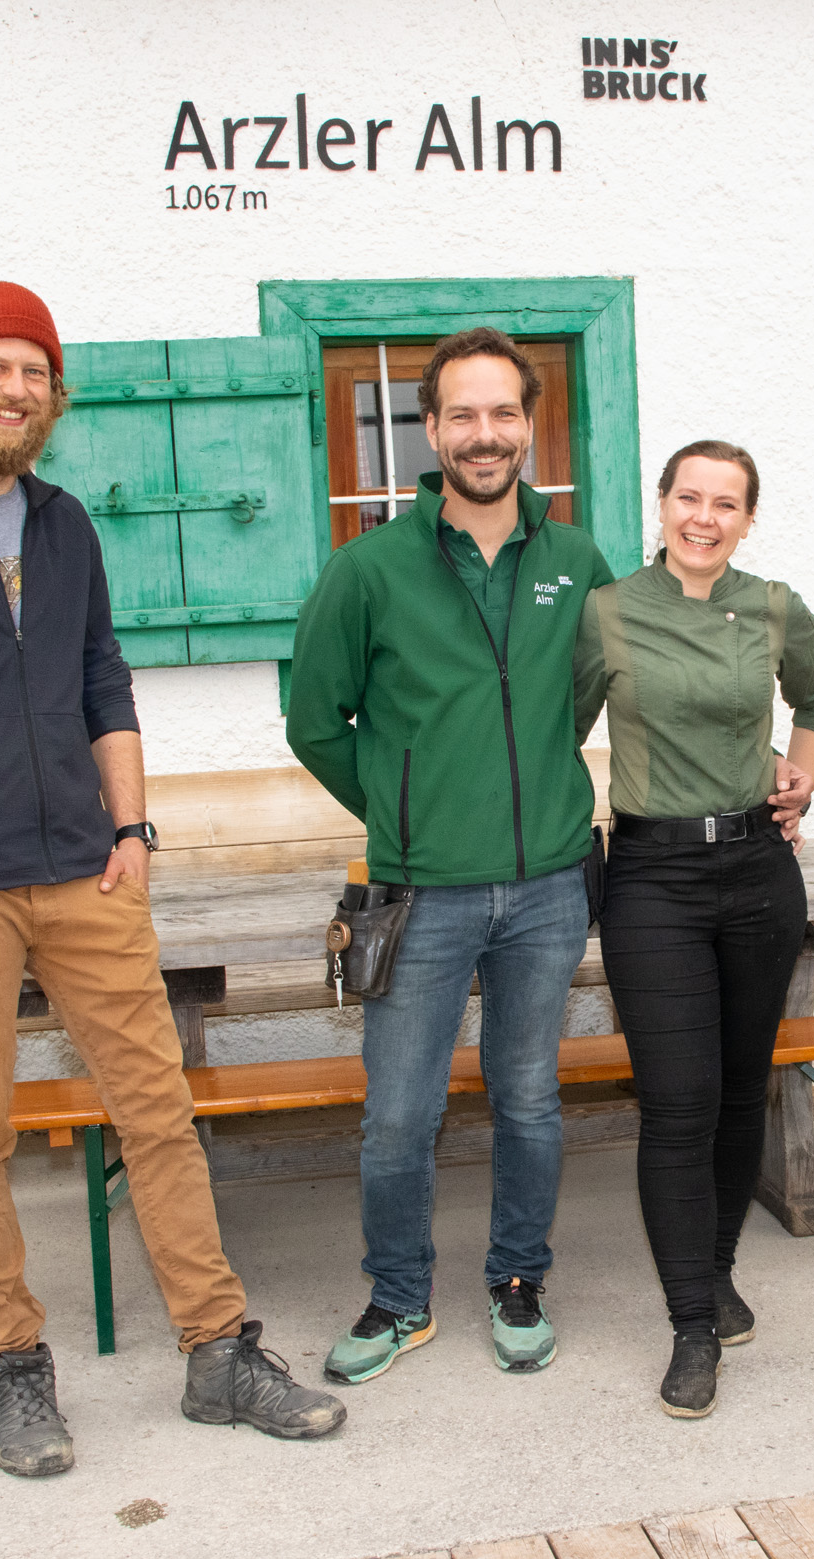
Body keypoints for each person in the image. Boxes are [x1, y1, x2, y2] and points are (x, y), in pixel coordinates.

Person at [0, 281, 344, 1478]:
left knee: (158, 1109)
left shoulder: (63, 525)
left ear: (56, 394)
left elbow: (106, 680)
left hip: (86, 876)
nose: (15, 389)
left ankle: (218, 1351)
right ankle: (15, 1366)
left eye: (34, 371)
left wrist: (135, 829)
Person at [287, 327, 615, 1384]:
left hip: (550, 888)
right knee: (399, 1113)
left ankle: (519, 1277)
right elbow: (314, 721)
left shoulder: (576, 560)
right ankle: (397, 1298)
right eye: (463, 415)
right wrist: (405, 807)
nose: (486, 434)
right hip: (420, 896)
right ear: (430, 431)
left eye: (504, 412)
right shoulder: (368, 568)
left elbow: (588, 692)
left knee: (528, 1098)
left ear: (530, 424)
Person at [573, 440, 814, 1419]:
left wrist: (798, 770)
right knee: (677, 1100)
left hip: (759, 875)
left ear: (747, 518)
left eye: (725, 503)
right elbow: (555, 731)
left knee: (739, 1093)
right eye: (689, 497)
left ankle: (718, 1268)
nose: (704, 516)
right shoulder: (607, 611)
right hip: (652, 875)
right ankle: (692, 1321)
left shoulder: (772, 607)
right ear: (661, 504)